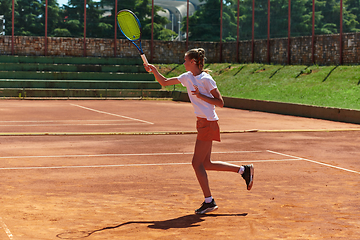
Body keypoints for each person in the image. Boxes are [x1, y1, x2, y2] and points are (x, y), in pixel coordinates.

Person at [144, 48, 254, 214]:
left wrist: (201, 96)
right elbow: (165, 82)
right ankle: (243, 170)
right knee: (206, 164)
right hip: (202, 122)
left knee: (197, 164)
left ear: (193, 62)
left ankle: (209, 201)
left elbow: (220, 102)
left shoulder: (206, 79)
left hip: (208, 122)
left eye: (186, 60)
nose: (183, 63)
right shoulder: (187, 77)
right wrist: (154, 70)